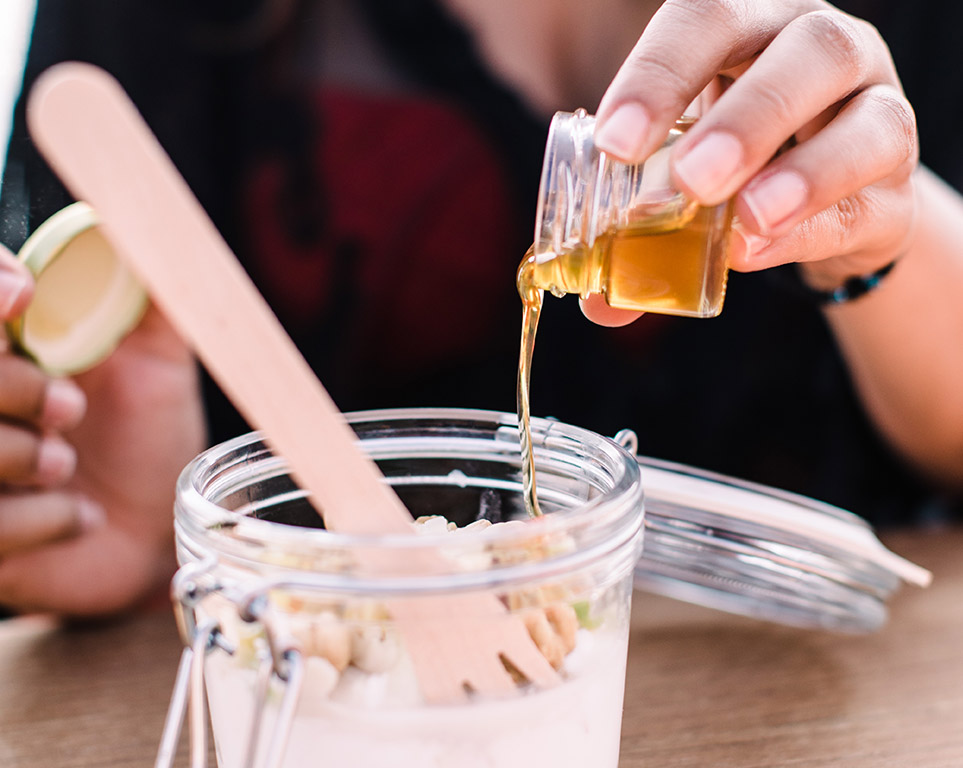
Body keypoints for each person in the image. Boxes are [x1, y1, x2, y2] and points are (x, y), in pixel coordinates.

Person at [0, 0, 960, 616]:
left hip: (833, 674)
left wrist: (877, 224)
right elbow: (84, 324)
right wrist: (111, 505)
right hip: (305, 673)